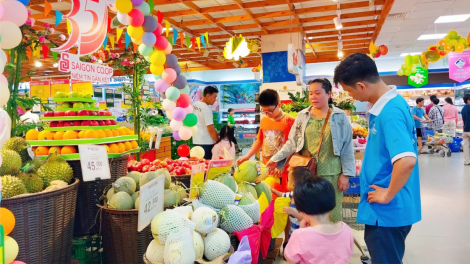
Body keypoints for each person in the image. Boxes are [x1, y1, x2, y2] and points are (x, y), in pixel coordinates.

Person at [334, 53, 421, 264]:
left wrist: (387, 194)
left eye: (349, 91)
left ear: (361, 86)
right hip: (384, 210)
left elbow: (407, 160)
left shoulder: (390, 113)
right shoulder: (387, 106)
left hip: (387, 212)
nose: (351, 97)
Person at [266, 79, 355, 224]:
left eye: (318, 93)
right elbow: (292, 143)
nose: (313, 97)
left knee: (331, 215)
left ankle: (332, 245)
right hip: (306, 174)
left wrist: (346, 175)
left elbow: (347, 147)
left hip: (331, 175)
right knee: (308, 214)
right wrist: (275, 158)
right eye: (311, 93)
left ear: (328, 94)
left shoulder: (339, 117)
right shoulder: (302, 116)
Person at [284, 176, 354, 264]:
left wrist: (301, 229)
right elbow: (348, 253)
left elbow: (291, 258)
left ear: (301, 211)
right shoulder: (346, 230)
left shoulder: (300, 235)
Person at [237, 89, 295, 190]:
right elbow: (259, 141)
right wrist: (247, 156)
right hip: (266, 168)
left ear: (279, 105)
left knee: (281, 199)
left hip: (283, 171)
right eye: (264, 111)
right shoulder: (264, 120)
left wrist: (281, 165)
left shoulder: (290, 121)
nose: (267, 113)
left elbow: (294, 147)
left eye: (270, 110)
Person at [271, 167, 313, 248]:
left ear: (293, 184)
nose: (287, 182)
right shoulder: (292, 194)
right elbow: (282, 195)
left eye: (288, 180)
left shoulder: (304, 200)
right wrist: (272, 190)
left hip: (302, 235)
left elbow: (305, 219)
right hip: (292, 233)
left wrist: (292, 212)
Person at [193, 86, 219, 159]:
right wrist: (218, 141)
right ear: (208, 96)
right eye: (214, 97)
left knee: (199, 166)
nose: (215, 100)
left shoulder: (194, 105)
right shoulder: (206, 109)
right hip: (206, 143)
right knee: (207, 167)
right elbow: (210, 129)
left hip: (196, 141)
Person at [462, 94, 470, 165]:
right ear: (468, 100)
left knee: (466, 146)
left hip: (465, 129)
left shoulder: (463, 108)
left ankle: (466, 161)